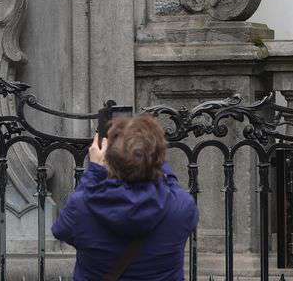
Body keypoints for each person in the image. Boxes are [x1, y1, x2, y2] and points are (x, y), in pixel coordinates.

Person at [52, 115, 199, 281]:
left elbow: (61, 230)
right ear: (158, 158)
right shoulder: (181, 208)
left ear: (109, 160)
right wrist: (154, 157)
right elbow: (171, 183)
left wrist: (94, 171)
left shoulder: (82, 207)